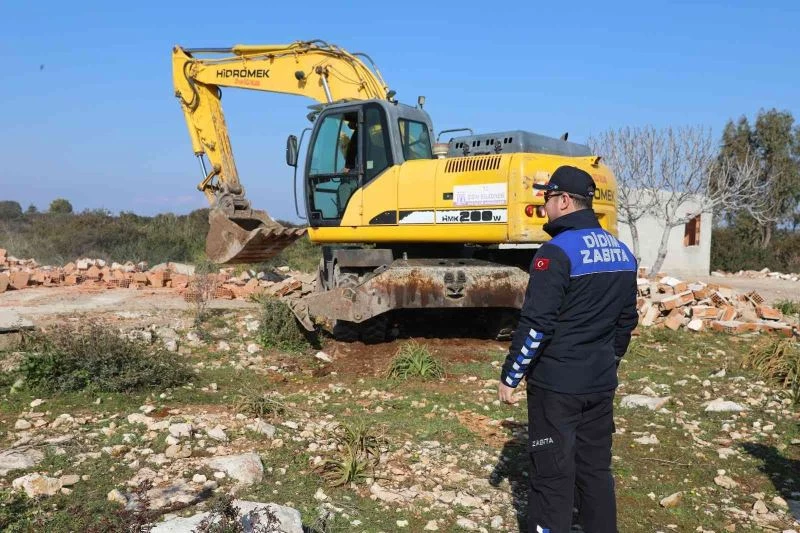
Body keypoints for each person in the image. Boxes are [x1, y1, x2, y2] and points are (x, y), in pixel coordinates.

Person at [498, 165, 638, 533]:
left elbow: (537, 324)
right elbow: (626, 322)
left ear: (563, 200)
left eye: (547, 198)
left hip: (557, 387)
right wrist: (608, 361)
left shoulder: (555, 253)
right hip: (600, 382)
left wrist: (511, 375)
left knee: (552, 476)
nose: (544, 207)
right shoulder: (621, 252)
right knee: (595, 471)